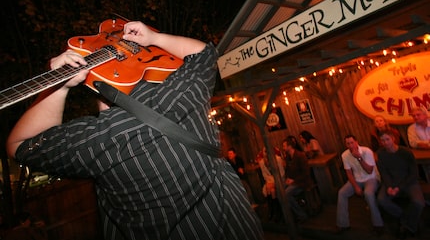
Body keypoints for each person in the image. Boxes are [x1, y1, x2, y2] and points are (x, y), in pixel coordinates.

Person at [6, 21, 264, 240]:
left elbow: (20, 144)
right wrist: (155, 37)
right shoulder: (182, 97)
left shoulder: (96, 141)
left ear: (94, 83)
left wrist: (59, 85)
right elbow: (205, 53)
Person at [377, 130, 425, 239]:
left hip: (408, 182)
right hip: (391, 182)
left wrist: (399, 187)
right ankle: (406, 218)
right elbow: (384, 172)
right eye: (382, 141)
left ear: (393, 139)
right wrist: (389, 186)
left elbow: (414, 173)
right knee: (381, 200)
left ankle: (408, 225)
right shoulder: (381, 153)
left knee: (419, 203)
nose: (385, 143)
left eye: (387, 139)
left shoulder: (406, 152)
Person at [336, 135, 384, 235]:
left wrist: (359, 158)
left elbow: (369, 171)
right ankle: (343, 224)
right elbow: (349, 173)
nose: (350, 145)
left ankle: (378, 224)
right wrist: (355, 186)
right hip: (357, 179)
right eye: (348, 143)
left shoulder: (367, 151)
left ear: (356, 142)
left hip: (371, 178)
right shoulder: (345, 155)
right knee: (342, 193)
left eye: (352, 142)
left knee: (368, 193)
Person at [282, 136, 313, 223]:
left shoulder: (300, 156)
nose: (283, 148)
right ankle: (288, 214)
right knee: (280, 189)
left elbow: (306, 173)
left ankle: (302, 215)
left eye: (284, 146)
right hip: (293, 181)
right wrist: (288, 178)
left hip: (302, 182)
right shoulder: (288, 157)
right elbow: (287, 170)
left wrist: (294, 181)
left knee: (286, 194)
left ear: (289, 146)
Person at [256, 147, 284, 221]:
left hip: (280, 181)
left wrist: (274, 182)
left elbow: (282, 174)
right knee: (271, 190)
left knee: (271, 190)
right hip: (269, 182)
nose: (266, 153)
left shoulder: (278, 159)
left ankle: (277, 211)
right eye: (264, 152)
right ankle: (274, 211)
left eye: (267, 151)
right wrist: (270, 182)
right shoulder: (262, 162)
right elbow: (265, 175)